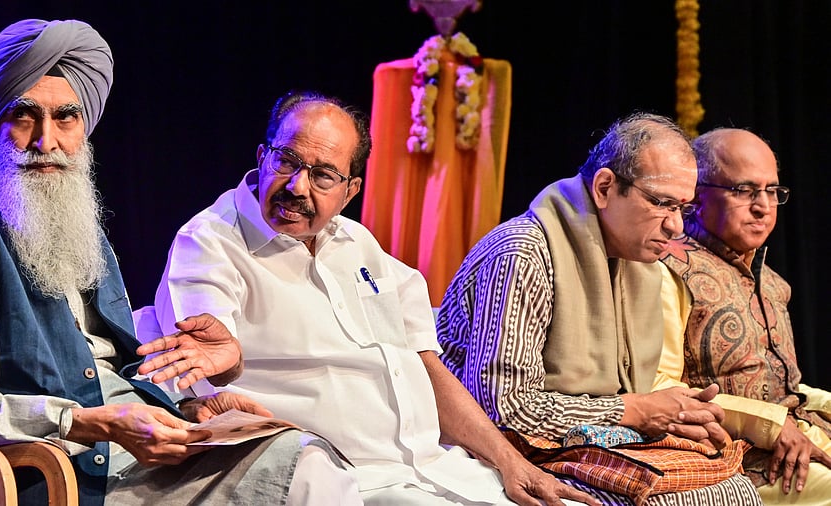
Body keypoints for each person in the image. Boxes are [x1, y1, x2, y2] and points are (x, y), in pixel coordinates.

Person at [0, 19, 359, 505]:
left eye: (66, 117)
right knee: (305, 479)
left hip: (141, 455)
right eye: (24, 116)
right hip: (64, 476)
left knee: (308, 456)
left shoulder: (72, 218)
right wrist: (88, 423)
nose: (45, 140)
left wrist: (192, 405)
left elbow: (107, 368)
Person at [143, 89, 601, 505]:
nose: (298, 187)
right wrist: (226, 357)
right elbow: (209, 356)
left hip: (437, 471)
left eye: (323, 176)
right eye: (286, 160)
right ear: (262, 156)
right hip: (346, 484)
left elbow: (422, 365)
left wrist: (510, 461)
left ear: (350, 191)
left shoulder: (358, 246)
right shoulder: (209, 243)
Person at [435, 112, 762, 503]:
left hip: (582, 439)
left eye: (683, 209)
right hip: (496, 450)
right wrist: (634, 411)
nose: (676, 227)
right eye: (662, 204)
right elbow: (507, 409)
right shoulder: (523, 254)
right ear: (605, 187)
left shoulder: (637, 264)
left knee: (734, 487)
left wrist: (676, 415)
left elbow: (628, 395)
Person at [657, 127, 831, 504]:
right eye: (744, 190)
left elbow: (787, 391)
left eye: (772, 191)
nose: (763, 206)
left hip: (800, 439)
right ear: (697, 196)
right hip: (735, 459)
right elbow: (660, 388)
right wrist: (770, 426)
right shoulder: (669, 270)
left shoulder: (773, 283)